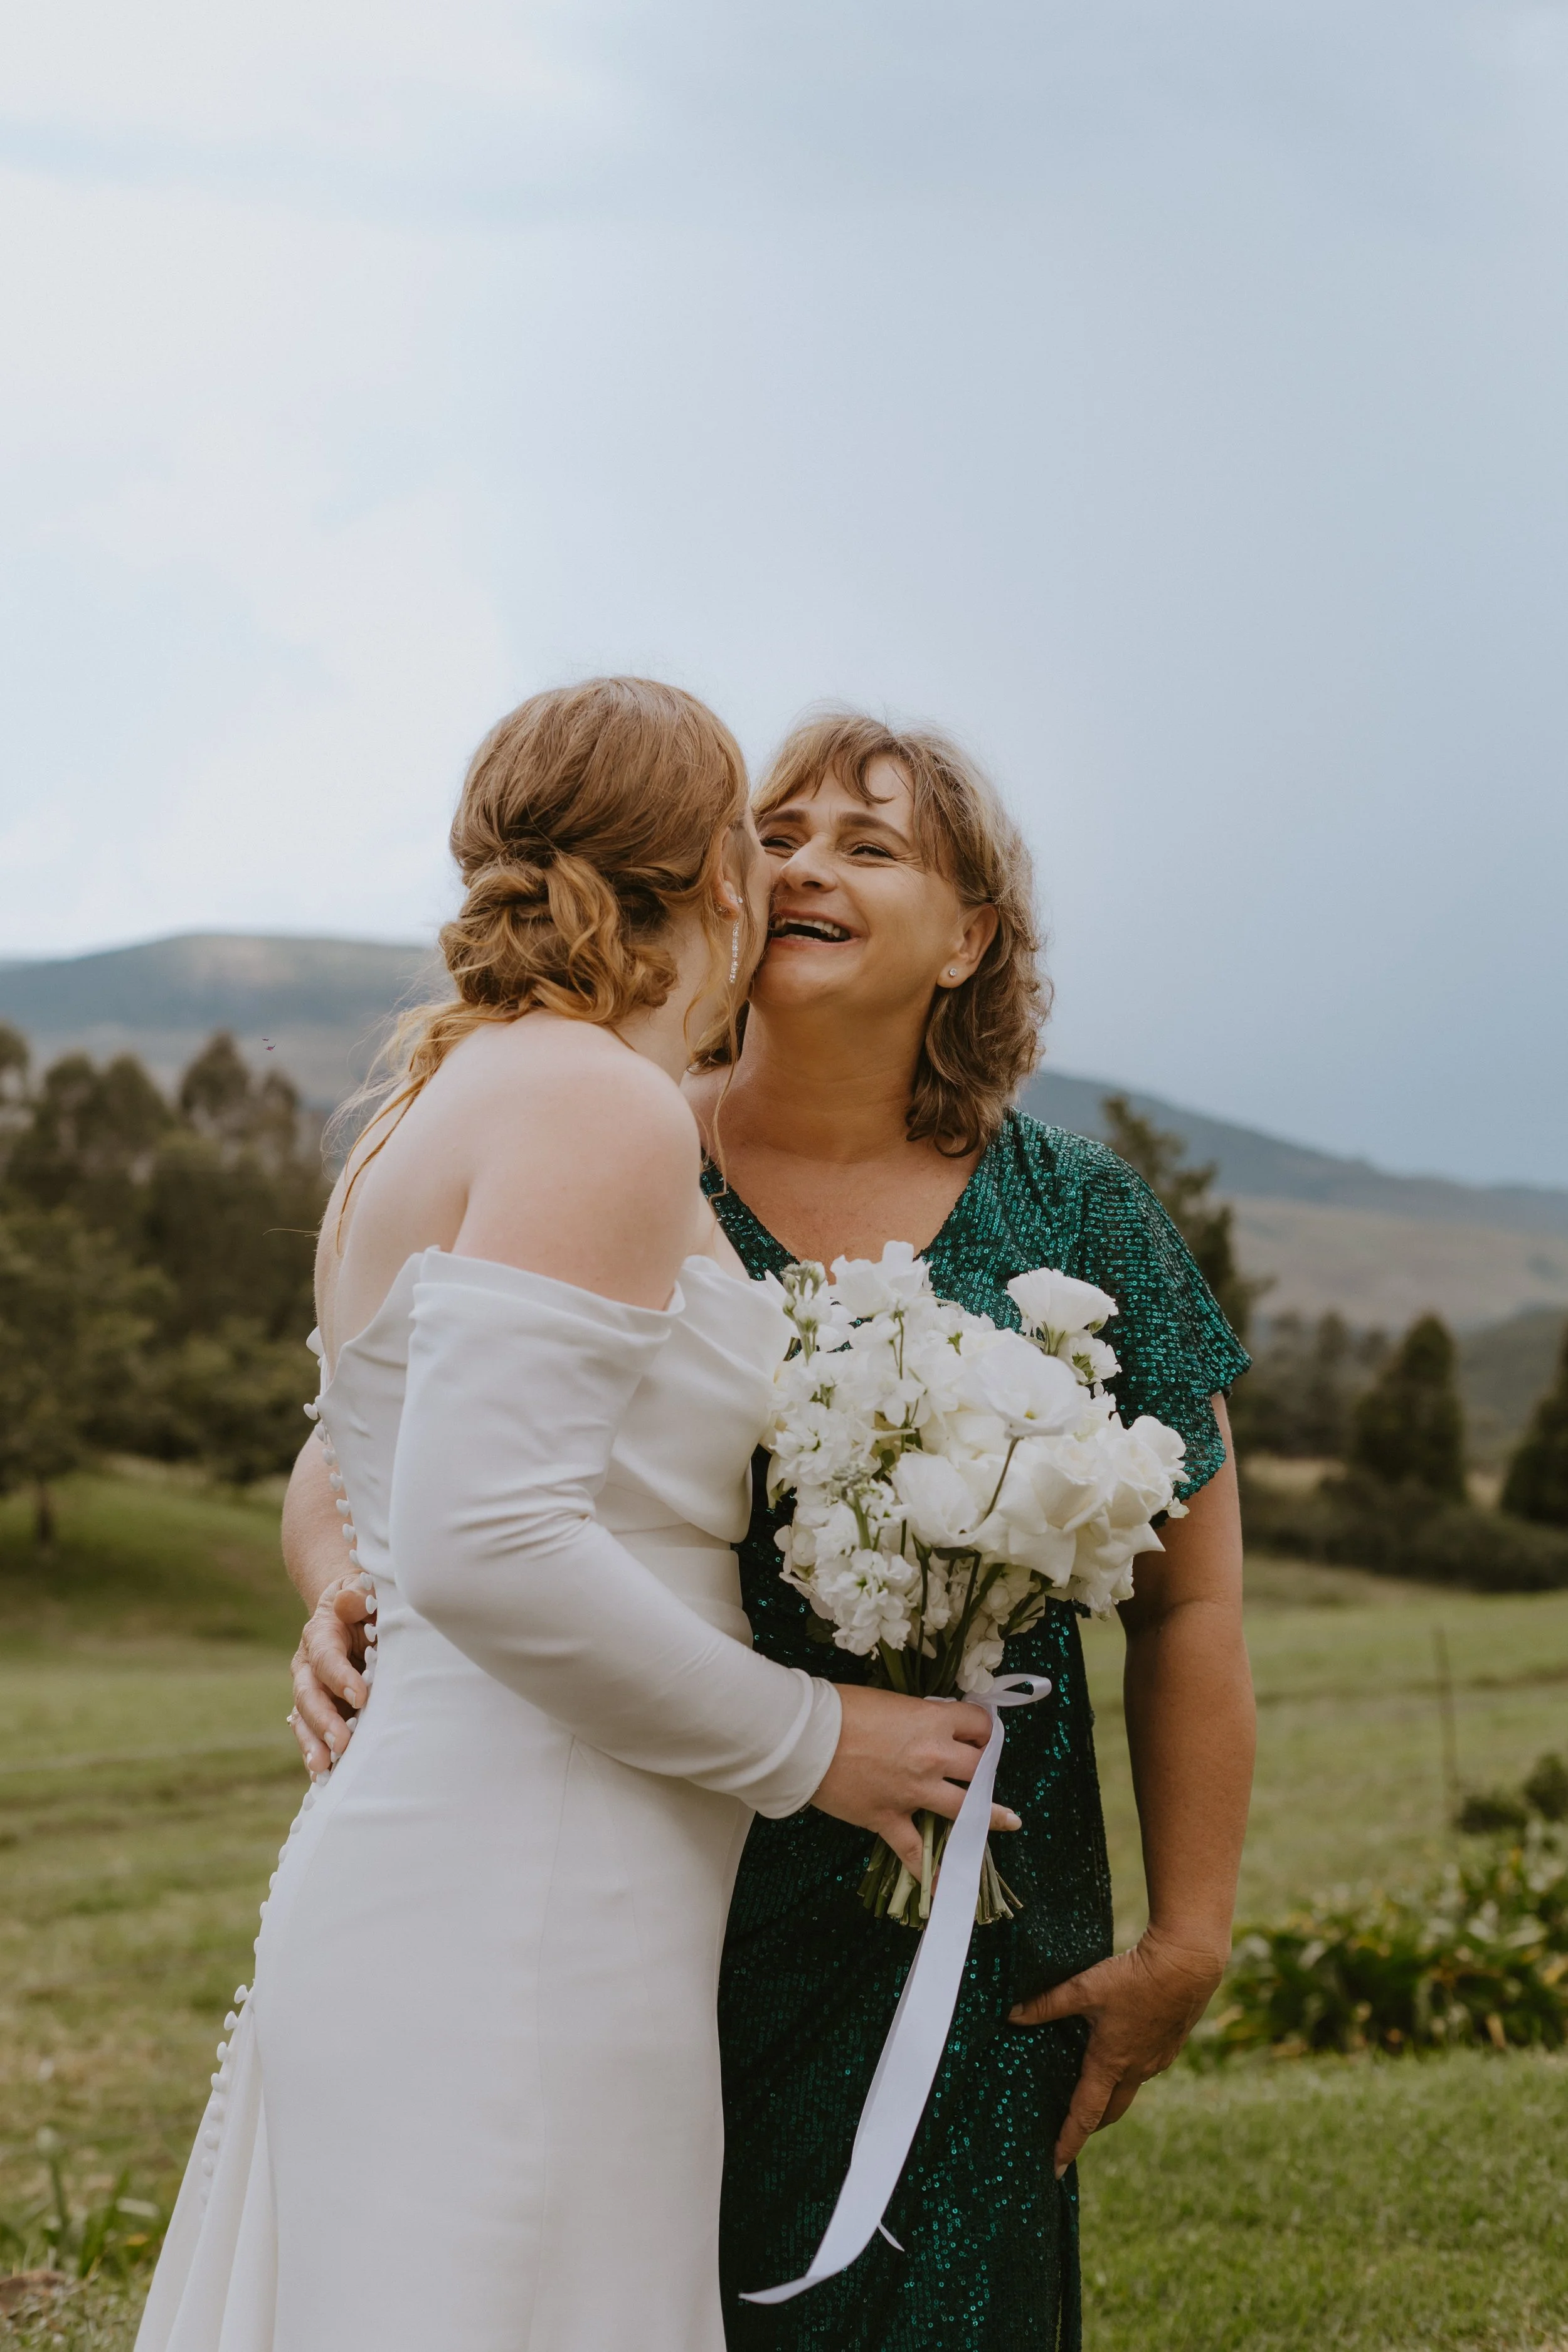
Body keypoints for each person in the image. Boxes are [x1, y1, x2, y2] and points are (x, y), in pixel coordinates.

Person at [287, 710, 1256, 2349]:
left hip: (967, 1889)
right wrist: (340, 1588)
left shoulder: (1084, 1221)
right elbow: (368, 1441)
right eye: (780, 831)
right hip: (647, 1857)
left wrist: (1187, 1932)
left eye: (870, 846)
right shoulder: (612, 1129)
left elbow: (1192, 1606)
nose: (806, 861)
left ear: (970, 940)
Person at [137, 680, 1010, 2352]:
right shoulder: (592, 1104)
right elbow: (485, 1540)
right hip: (524, 1895)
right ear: (710, 876)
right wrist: (815, 1737)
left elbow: (384, 1472)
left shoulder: (458, 1094)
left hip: (503, 1872)